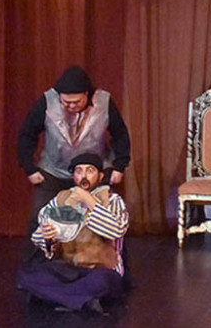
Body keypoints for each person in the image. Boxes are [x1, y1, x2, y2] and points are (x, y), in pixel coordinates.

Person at [18, 66, 131, 263]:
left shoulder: (104, 101)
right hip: (54, 170)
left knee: (107, 218)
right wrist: (29, 167)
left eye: (76, 102)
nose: (71, 106)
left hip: (94, 172)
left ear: (87, 94)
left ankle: (111, 264)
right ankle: (36, 266)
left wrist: (120, 165)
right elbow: (27, 133)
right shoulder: (47, 101)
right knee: (39, 217)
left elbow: (120, 134)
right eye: (66, 102)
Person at [17, 153, 129, 314]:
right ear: (73, 176)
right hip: (70, 270)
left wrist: (89, 201)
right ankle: (82, 300)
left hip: (101, 270)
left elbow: (116, 230)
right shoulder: (62, 199)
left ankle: (55, 296)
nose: (84, 176)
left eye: (90, 170)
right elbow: (39, 234)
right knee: (26, 275)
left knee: (101, 282)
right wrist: (48, 237)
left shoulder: (113, 200)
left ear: (100, 176)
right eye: (79, 171)